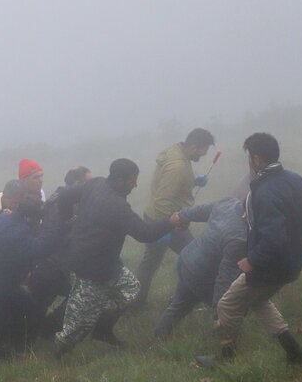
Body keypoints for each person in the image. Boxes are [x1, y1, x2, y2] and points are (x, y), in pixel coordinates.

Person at [196, 133, 302, 367]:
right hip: (293, 261)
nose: (248, 162)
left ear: (257, 160)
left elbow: (274, 237)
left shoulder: (265, 191)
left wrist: (253, 260)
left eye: (249, 157)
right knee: (258, 301)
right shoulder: (294, 179)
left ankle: (226, 358)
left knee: (226, 304)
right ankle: (295, 351)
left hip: (270, 265)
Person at [54, 159, 182, 356]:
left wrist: (67, 220)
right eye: (133, 180)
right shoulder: (116, 206)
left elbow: (64, 198)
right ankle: (61, 352)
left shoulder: (95, 183)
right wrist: (170, 222)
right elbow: (144, 233)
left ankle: (102, 330)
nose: (135, 184)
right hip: (91, 267)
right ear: (121, 180)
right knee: (81, 319)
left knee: (130, 289)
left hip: (106, 263)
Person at [0, 189, 63, 359]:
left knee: (21, 308)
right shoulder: (21, 232)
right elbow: (39, 249)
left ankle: (6, 348)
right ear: (32, 218)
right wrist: (59, 229)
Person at [152, 183, 248, 340]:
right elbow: (225, 275)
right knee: (235, 306)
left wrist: (182, 215)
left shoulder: (229, 203)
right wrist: (220, 308)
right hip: (201, 273)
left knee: (179, 304)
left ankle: (158, 337)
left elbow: (201, 210)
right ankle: (225, 341)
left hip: (188, 258)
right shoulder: (239, 237)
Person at [134, 128, 215, 305]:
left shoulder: (176, 151)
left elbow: (169, 183)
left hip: (158, 217)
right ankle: (188, 300)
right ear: (193, 146)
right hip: (167, 219)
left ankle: (136, 302)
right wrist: (163, 229)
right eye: (204, 149)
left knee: (150, 263)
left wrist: (193, 181)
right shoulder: (178, 166)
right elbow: (163, 199)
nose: (205, 153)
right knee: (195, 257)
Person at [27, 167, 93, 339]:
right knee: (41, 304)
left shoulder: (64, 198)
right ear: (78, 184)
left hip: (58, 263)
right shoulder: (62, 203)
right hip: (53, 264)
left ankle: (42, 331)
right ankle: (33, 336)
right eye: (88, 183)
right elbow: (55, 234)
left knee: (75, 295)